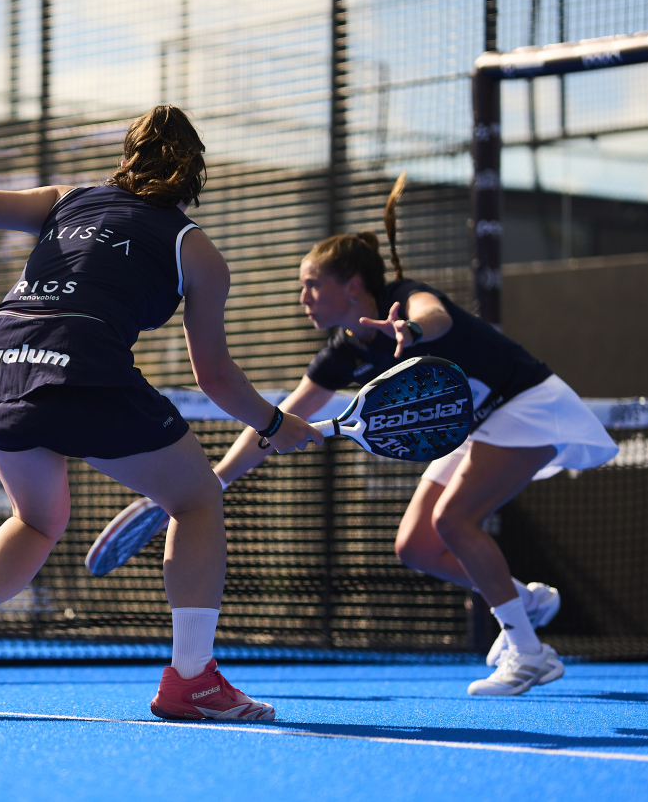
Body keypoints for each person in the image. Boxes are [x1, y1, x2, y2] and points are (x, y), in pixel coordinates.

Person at [0, 105, 322, 720]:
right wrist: (273, 423)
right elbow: (214, 377)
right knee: (197, 499)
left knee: (36, 519)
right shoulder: (198, 252)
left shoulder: (67, 200)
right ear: (194, 175)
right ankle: (191, 679)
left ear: (127, 158)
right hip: (78, 358)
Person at [202, 179, 619, 696]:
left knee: (453, 520)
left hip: (527, 403)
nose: (302, 297)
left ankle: (530, 653)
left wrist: (412, 331)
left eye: (312, 284)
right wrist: (215, 482)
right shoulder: (342, 355)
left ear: (352, 286)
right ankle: (524, 600)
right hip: (476, 423)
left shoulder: (403, 298)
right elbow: (276, 420)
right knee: (417, 546)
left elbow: (434, 315)